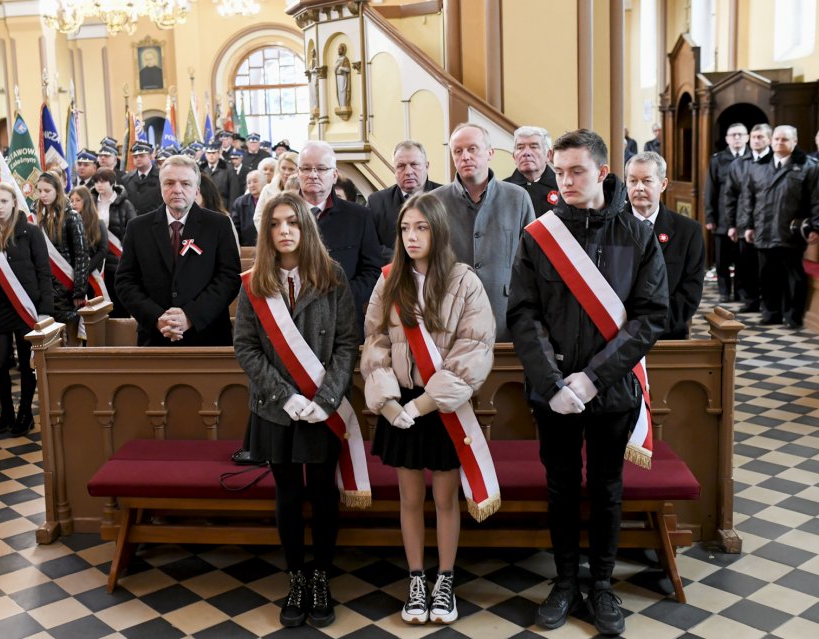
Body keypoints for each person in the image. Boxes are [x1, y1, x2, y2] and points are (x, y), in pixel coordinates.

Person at [508, 129, 668, 636]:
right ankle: (563, 582)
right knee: (560, 488)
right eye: (559, 171)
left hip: (612, 391)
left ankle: (601, 586)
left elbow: (650, 316)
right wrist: (555, 383)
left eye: (576, 171)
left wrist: (593, 379)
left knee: (605, 488)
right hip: (552, 394)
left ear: (602, 172)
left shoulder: (637, 234)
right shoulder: (539, 236)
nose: (565, 181)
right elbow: (523, 313)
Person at [362, 193, 496, 625]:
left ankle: (445, 579)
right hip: (399, 405)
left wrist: (420, 406)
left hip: (441, 408)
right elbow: (375, 342)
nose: (412, 236)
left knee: (444, 498)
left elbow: (473, 351)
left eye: (421, 228)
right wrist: (386, 402)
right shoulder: (389, 280)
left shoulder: (464, 281)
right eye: (406, 229)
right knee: (409, 497)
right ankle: (416, 579)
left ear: (439, 230)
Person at [233, 191, 360, 629]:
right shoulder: (254, 282)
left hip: (321, 406)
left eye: (292, 222)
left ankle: (321, 578)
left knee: (323, 493)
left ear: (305, 227)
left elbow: (346, 345)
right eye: (275, 223)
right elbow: (246, 348)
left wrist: (323, 401)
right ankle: (295, 580)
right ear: (266, 232)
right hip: (275, 409)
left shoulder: (332, 276)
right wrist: (285, 396)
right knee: (287, 496)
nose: (284, 230)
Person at [116, 155, 241, 346]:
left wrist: (190, 316)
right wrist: (158, 318)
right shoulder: (138, 227)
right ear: (161, 187)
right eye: (169, 183)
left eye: (185, 183)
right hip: (156, 337)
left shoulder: (218, 225)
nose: (177, 190)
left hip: (208, 336)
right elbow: (125, 281)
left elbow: (229, 278)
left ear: (196, 189)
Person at [432, 122, 535, 341]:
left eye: (472, 149)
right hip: (452, 318)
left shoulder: (517, 198)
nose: (465, 156)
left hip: (506, 317)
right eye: (457, 151)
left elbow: (532, 263)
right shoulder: (435, 202)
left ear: (490, 153)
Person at [0, 183, 52, 436]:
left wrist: (45, 310)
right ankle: (6, 411)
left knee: (28, 364)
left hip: (27, 307)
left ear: (14, 202)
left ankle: (25, 412)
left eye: (3, 201)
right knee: (0, 363)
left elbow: (43, 272)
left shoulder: (31, 231)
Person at [296, 141, 384, 338]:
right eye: (306, 168)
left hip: (343, 323)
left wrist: (340, 296)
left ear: (334, 175)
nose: (313, 174)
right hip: (293, 322)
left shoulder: (359, 216)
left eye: (321, 169)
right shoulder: (280, 214)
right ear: (297, 173)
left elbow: (372, 271)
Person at [739, 125, 819, 329]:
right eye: (776, 139)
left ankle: (793, 316)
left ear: (794, 142)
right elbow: (748, 199)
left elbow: (817, 201)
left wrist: (816, 227)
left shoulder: (809, 167)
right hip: (764, 230)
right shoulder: (758, 166)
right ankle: (771, 313)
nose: (778, 143)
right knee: (767, 275)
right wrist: (747, 226)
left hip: (791, 231)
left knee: (793, 276)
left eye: (784, 140)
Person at [626, 152, 705, 338]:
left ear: (663, 184)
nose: (639, 188)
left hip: (668, 333)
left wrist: (652, 327)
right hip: (618, 336)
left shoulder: (689, 232)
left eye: (647, 181)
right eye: (632, 181)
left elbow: (690, 292)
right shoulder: (609, 227)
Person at [724, 123, 772, 313]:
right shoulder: (739, 163)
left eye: (761, 137)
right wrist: (732, 224)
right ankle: (750, 301)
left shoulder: (774, 161)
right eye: (754, 137)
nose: (757, 140)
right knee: (746, 266)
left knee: (767, 268)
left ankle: (769, 305)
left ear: (769, 139)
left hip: (768, 225)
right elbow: (730, 195)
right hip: (744, 223)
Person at [368, 141, 441, 259]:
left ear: (426, 166)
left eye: (414, 164)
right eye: (401, 166)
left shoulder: (444, 197)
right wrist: (403, 261)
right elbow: (370, 244)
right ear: (394, 170)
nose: (408, 172)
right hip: (392, 270)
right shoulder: (376, 202)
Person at [36, 172, 88, 330]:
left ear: (57, 191)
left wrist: (79, 291)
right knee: (49, 334)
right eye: (39, 191)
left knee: (72, 332)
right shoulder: (36, 216)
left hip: (67, 284)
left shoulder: (71, 217)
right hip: (43, 285)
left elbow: (81, 255)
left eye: (47, 191)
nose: (42, 195)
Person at [706, 123, 750, 303]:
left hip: (745, 217)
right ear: (727, 139)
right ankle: (724, 291)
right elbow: (710, 190)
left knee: (742, 258)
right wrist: (710, 216)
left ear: (747, 137)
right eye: (733, 135)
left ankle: (741, 291)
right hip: (722, 217)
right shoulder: (718, 160)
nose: (737, 138)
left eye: (740, 134)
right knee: (722, 259)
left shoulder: (752, 159)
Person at [91, 168, 136, 318]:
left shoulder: (125, 204)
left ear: (112, 182)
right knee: (98, 300)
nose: (99, 185)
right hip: (96, 257)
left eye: (103, 181)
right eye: (96, 181)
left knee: (118, 299)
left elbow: (132, 230)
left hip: (116, 257)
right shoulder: (90, 202)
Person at [504, 125, 560, 218]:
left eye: (534, 147)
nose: (526, 153)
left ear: (548, 155)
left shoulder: (563, 187)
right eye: (520, 147)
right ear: (514, 156)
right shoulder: (501, 189)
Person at [69, 186, 108, 297]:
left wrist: (86, 269)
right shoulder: (67, 223)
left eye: (78, 200)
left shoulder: (98, 223)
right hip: (72, 272)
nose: (74, 204)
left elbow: (103, 249)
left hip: (92, 271)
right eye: (71, 200)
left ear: (86, 201)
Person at [253, 151, 299, 228]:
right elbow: (258, 217)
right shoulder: (268, 189)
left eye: (291, 169)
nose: (286, 172)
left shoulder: (304, 190)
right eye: (283, 168)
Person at [121, 140, 163, 216]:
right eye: (135, 157)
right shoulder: (126, 179)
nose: (138, 159)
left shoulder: (162, 176)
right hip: (133, 222)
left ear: (150, 156)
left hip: (155, 221)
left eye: (142, 156)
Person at [231, 169, 262, 246]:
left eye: (255, 181)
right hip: (247, 245)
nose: (252, 185)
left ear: (263, 182)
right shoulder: (239, 202)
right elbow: (235, 228)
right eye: (249, 183)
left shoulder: (271, 199)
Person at [200, 142, 234, 208]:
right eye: (209, 153)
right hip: (206, 206)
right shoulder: (201, 169)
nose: (211, 156)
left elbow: (233, 193)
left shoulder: (228, 169)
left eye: (213, 153)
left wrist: (231, 210)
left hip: (223, 206)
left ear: (219, 154)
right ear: (205, 155)